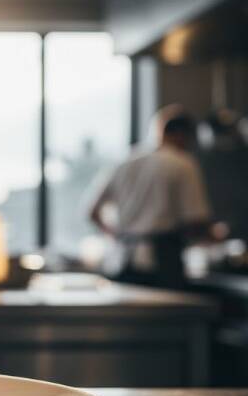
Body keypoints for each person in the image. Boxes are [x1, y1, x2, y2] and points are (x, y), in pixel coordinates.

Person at [88, 107, 213, 289]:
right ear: (181, 134)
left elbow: (92, 212)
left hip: (122, 261)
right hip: (162, 263)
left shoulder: (125, 160)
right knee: (165, 315)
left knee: (129, 315)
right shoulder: (182, 163)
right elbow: (196, 219)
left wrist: (117, 235)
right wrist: (211, 236)